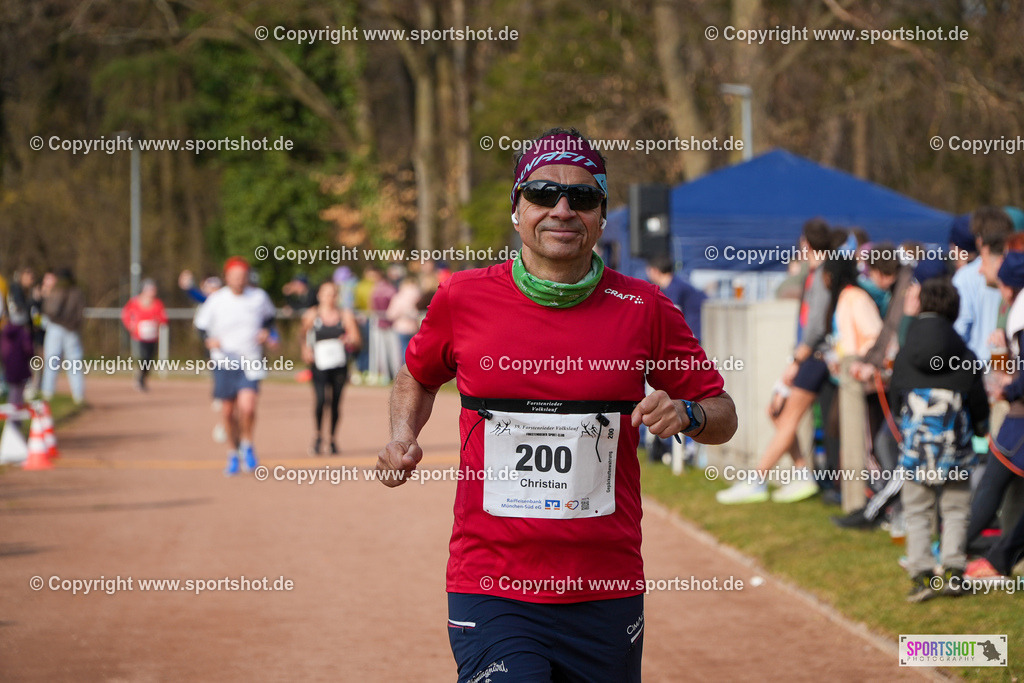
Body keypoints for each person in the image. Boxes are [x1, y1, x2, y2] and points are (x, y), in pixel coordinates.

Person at [375, 128, 736, 682]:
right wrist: (404, 434)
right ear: (517, 209)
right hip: (492, 584)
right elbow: (417, 376)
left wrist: (687, 415)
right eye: (543, 194)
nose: (562, 210)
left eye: (583, 197)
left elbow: (723, 412)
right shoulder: (463, 297)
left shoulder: (643, 307)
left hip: (604, 588)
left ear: (601, 216)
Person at [716, 219, 832, 504]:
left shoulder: (823, 274)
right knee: (776, 411)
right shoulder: (814, 273)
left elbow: (817, 325)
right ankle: (803, 472)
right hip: (806, 354)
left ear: (806, 243)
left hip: (815, 356)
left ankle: (757, 479)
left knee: (787, 415)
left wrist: (796, 359)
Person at [890, 278, 989, 602]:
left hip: (916, 451)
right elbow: (978, 404)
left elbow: (895, 403)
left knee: (917, 512)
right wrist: (979, 430)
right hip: (956, 452)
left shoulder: (905, 354)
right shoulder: (966, 354)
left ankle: (921, 577)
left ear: (921, 306)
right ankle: (954, 573)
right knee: (957, 510)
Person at [964, 250, 1024, 576]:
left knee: (993, 481)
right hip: (1014, 411)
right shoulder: (1013, 311)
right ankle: (1002, 559)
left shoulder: (1020, 310)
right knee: (1009, 489)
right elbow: (1011, 372)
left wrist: (1007, 390)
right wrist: (1002, 356)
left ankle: (958, 549)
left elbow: (1015, 380)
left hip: (1017, 415)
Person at [194, 257, 277, 476]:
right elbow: (201, 326)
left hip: (250, 359)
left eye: (243, 276)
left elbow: (270, 319)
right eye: (235, 276)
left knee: (248, 407)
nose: (239, 280)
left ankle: (248, 445)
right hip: (224, 361)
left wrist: (267, 333)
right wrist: (208, 340)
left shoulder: (259, 297)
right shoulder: (216, 300)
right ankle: (232, 452)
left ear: (248, 277)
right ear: (226, 277)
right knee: (229, 412)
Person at [301, 280, 361, 456]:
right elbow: (303, 335)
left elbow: (357, 340)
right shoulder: (312, 314)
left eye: (333, 294)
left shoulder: (345, 315)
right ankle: (318, 435)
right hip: (319, 364)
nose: (329, 298)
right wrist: (305, 350)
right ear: (319, 295)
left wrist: (349, 340)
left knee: (335, 403)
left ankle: (333, 439)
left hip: (339, 365)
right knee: (320, 400)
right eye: (326, 293)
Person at [41, 268, 86, 405]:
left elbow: (51, 310)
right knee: (74, 363)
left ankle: (48, 393)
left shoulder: (57, 291)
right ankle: (78, 395)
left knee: (52, 361)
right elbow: (80, 315)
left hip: (56, 328)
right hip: (71, 330)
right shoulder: (77, 292)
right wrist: (73, 325)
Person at [121, 278, 169, 391]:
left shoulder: (157, 304)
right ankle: (140, 380)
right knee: (144, 357)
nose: (152, 291)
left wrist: (158, 322)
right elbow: (126, 315)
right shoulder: (134, 302)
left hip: (152, 336)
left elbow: (164, 319)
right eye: (150, 289)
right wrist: (130, 325)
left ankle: (142, 378)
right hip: (139, 336)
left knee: (149, 359)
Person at [645, 255, 707, 342]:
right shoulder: (676, 283)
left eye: (648, 271)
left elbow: (672, 317)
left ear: (655, 271)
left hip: (697, 334)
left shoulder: (674, 288)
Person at [1, 268, 37, 413]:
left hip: (12, 331)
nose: (32, 279)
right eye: (29, 276)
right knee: (15, 380)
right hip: (15, 332)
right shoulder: (15, 290)